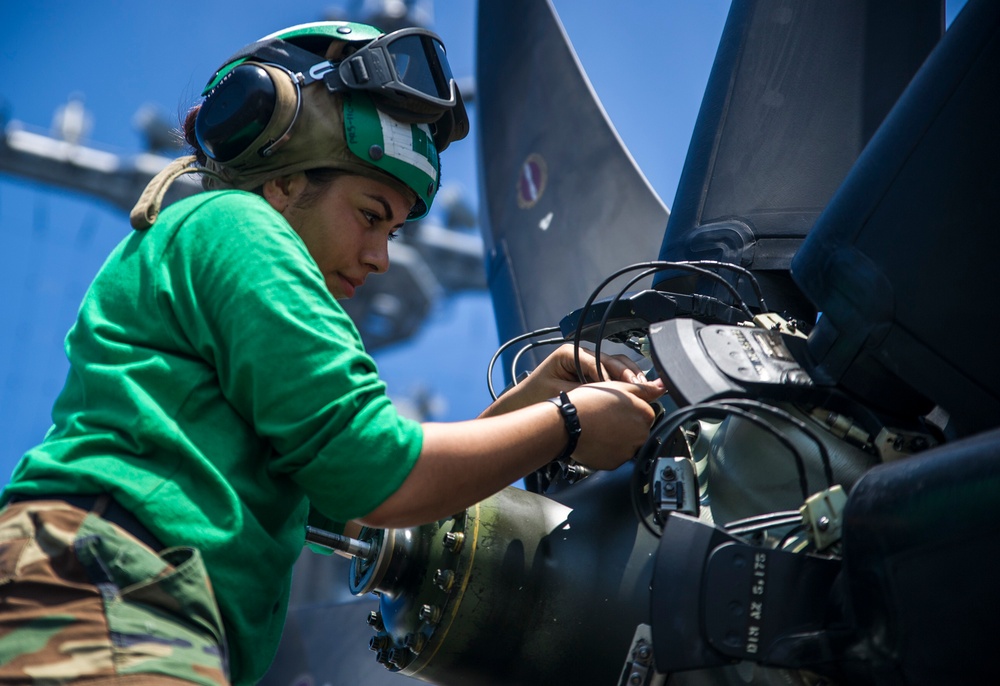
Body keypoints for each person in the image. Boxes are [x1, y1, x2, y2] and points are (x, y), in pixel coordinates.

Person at [0, 21, 663, 686]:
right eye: (371, 215)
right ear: (284, 180)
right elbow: (374, 473)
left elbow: (360, 496)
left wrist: (534, 404)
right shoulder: (240, 226)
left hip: (98, 593)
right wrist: (568, 424)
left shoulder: (200, 245)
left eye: (396, 231)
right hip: (111, 594)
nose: (380, 257)